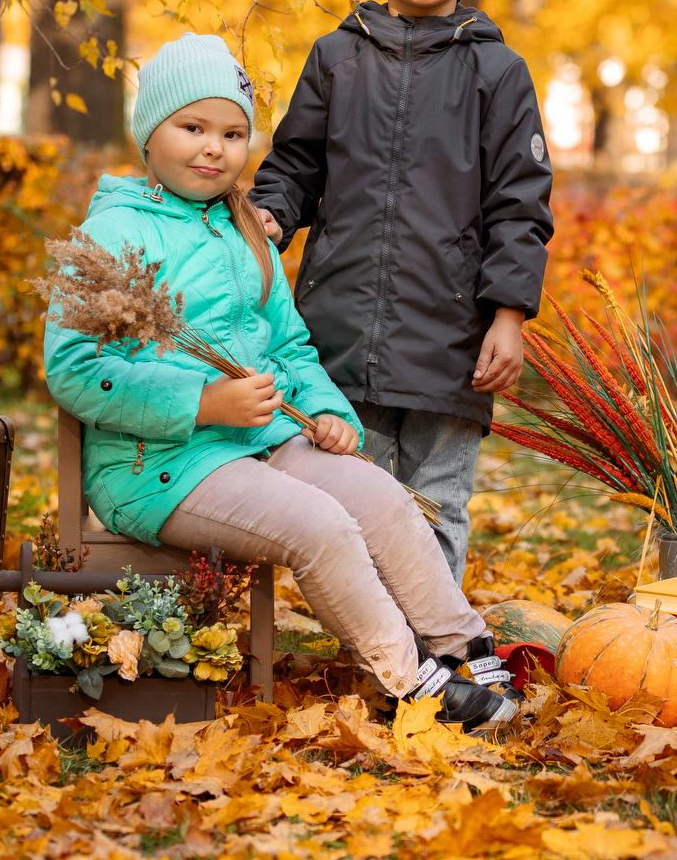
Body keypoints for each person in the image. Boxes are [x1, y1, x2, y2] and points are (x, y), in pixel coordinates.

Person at [43, 35, 517, 730]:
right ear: (150, 134)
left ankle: (462, 644)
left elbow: (289, 343)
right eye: (193, 127)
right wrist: (203, 402)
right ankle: (413, 683)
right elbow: (74, 370)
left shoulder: (247, 229)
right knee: (320, 524)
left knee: (382, 497)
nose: (214, 148)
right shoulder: (114, 232)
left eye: (233, 133)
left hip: (265, 440)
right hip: (161, 466)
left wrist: (325, 410)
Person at [252, 0, 553, 577]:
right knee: (355, 495)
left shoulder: (497, 72)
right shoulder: (336, 57)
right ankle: (375, 647)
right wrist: (271, 213)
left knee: (435, 501)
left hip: (451, 339)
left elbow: (521, 201)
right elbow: (295, 161)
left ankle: (436, 653)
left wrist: (508, 313)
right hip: (343, 327)